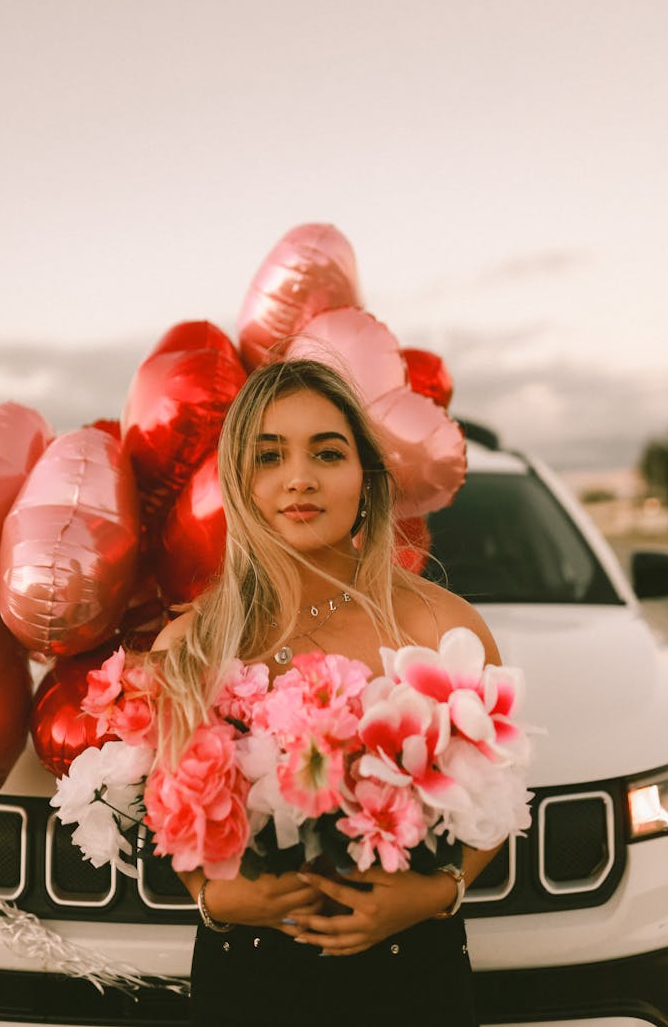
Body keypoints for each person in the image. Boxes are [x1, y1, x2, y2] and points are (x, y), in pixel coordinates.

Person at [151, 358, 506, 1027]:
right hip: (247, 985)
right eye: (269, 454)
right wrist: (213, 898)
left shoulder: (444, 629)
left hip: (413, 980)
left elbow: (499, 801)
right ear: (238, 481)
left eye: (328, 451)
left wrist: (435, 891)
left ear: (366, 479)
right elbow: (175, 817)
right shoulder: (191, 645)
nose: (299, 478)